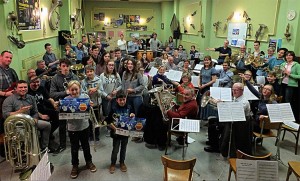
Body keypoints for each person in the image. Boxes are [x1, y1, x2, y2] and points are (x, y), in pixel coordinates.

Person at [2, 80, 51, 152]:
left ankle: (44, 147)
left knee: (47, 125)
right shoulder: (8, 100)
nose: (23, 89)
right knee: (25, 136)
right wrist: (19, 112)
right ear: (15, 89)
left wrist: (35, 119)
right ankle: (26, 152)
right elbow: (5, 115)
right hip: (16, 125)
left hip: (29, 121)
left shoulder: (31, 98)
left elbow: (35, 112)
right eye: (20, 87)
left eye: (25, 87)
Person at [63, 80, 97, 179]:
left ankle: (89, 162)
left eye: (76, 89)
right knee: (74, 148)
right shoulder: (66, 99)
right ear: (69, 90)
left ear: (80, 89)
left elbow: (89, 110)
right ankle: (75, 165)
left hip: (84, 126)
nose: (74, 92)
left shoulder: (85, 97)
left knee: (86, 145)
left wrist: (90, 105)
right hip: (72, 128)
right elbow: (63, 114)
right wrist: (60, 108)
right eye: (72, 90)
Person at [50, 59, 79, 154]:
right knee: (62, 126)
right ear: (60, 66)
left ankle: (76, 143)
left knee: (75, 125)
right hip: (62, 104)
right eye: (63, 66)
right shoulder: (55, 78)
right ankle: (62, 145)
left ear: (70, 66)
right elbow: (52, 94)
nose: (65, 68)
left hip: (74, 103)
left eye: (67, 66)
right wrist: (65, 92)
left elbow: (80, 90)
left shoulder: (74, 77)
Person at [105, 91, 134, 174]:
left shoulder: (129, 107)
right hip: (116, 134)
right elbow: (108, 121)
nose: (122, 101)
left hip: (125, 133)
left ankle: (122, 162)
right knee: (115, 149)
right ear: (117, 100)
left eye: (124, 99)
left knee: (124, 149)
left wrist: (132, 116)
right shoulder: (114, 109)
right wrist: (115, 129)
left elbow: (132, 119)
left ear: (126, 99)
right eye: (120, 100)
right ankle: (113, 164)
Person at [219, 83, 252, 157]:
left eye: (236, 90)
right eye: (232, 90)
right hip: (235, 121)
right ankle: (224, 149)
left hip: (241, 125)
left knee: (226, 126)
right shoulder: (235, 98)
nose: (233, 92)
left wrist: (222, 105)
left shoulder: (244, 102)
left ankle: (230, 151)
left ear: (242, 91)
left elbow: (236, 113)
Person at [28, 76, 58, 152]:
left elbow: (49, 98)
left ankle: (49, 134)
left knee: (58, 116)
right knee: (46, 123)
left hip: (44, 109)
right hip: (35, 113)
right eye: (34, 82)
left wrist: (54, 105)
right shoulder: (27, 91)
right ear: (30, 83)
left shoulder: (42, 88)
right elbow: (31, 109)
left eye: (37, 82)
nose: (36, 84)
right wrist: (41, 115)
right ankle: (45, 141)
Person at [0, 50, 19, 154]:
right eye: (7, 57)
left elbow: (17, 84)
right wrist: (4, 94)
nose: (9, 59)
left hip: (11, 101)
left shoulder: (12, 71)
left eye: (10, 58)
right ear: (0, 57)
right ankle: (3, 149)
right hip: (1, 101)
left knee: (11, 124)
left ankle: (12, 147)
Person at [81, 65, 102, 141]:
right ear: (85, 73)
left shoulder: (99, 80)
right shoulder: (83, 82)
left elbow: (101, 93)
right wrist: (88, 91)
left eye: (91, 71)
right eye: (87, 72)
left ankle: (97, 135)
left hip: (97, 103)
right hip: (88, 104)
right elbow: (82, 93)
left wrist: (96, 91)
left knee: (97, 119)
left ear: (94, 71)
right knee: (89, 120)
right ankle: (90, 135)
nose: (89, 73)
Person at [280, 51, 300, 122]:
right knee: (281, 100)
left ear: (293, 56)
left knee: (287, 101)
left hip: (291, 85)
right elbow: (279, 74)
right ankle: (281, 116)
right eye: (287, 55)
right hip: (282, 83)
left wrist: (289, 74)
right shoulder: (283, 64)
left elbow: (299, 76)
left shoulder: (296, 65)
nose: (288, 57)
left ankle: (288, 118)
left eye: (290, 55)